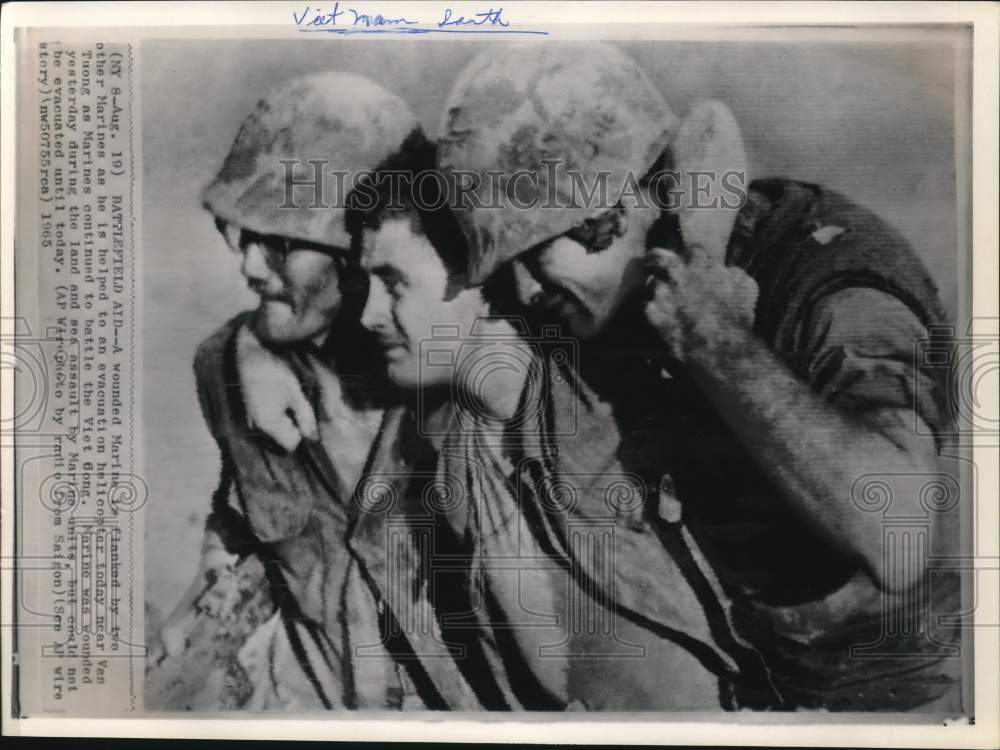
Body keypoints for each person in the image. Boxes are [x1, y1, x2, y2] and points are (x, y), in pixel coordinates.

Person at [433, 43, 962, 711]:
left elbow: (898, 535)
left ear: (615, 212)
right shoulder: (615, 304)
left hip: (919, 691)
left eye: (534, 252)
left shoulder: (824, 278)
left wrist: (716, 342)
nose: (524, 290)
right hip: (760, 689)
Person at [245, 118, 771, 711]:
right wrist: (251, 348)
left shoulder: (607, 386)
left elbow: (708, 127)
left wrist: (702, 277)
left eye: (393, 284)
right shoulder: (451, 452)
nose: (368, 316)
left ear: (484, 275)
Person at [145, 71, 451, 710]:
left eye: (281, 245)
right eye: (241, 236)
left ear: (359, 247)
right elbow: (249, 511)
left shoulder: (452, 370)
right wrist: (206, 587)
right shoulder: (222, 368)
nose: (250, 267)